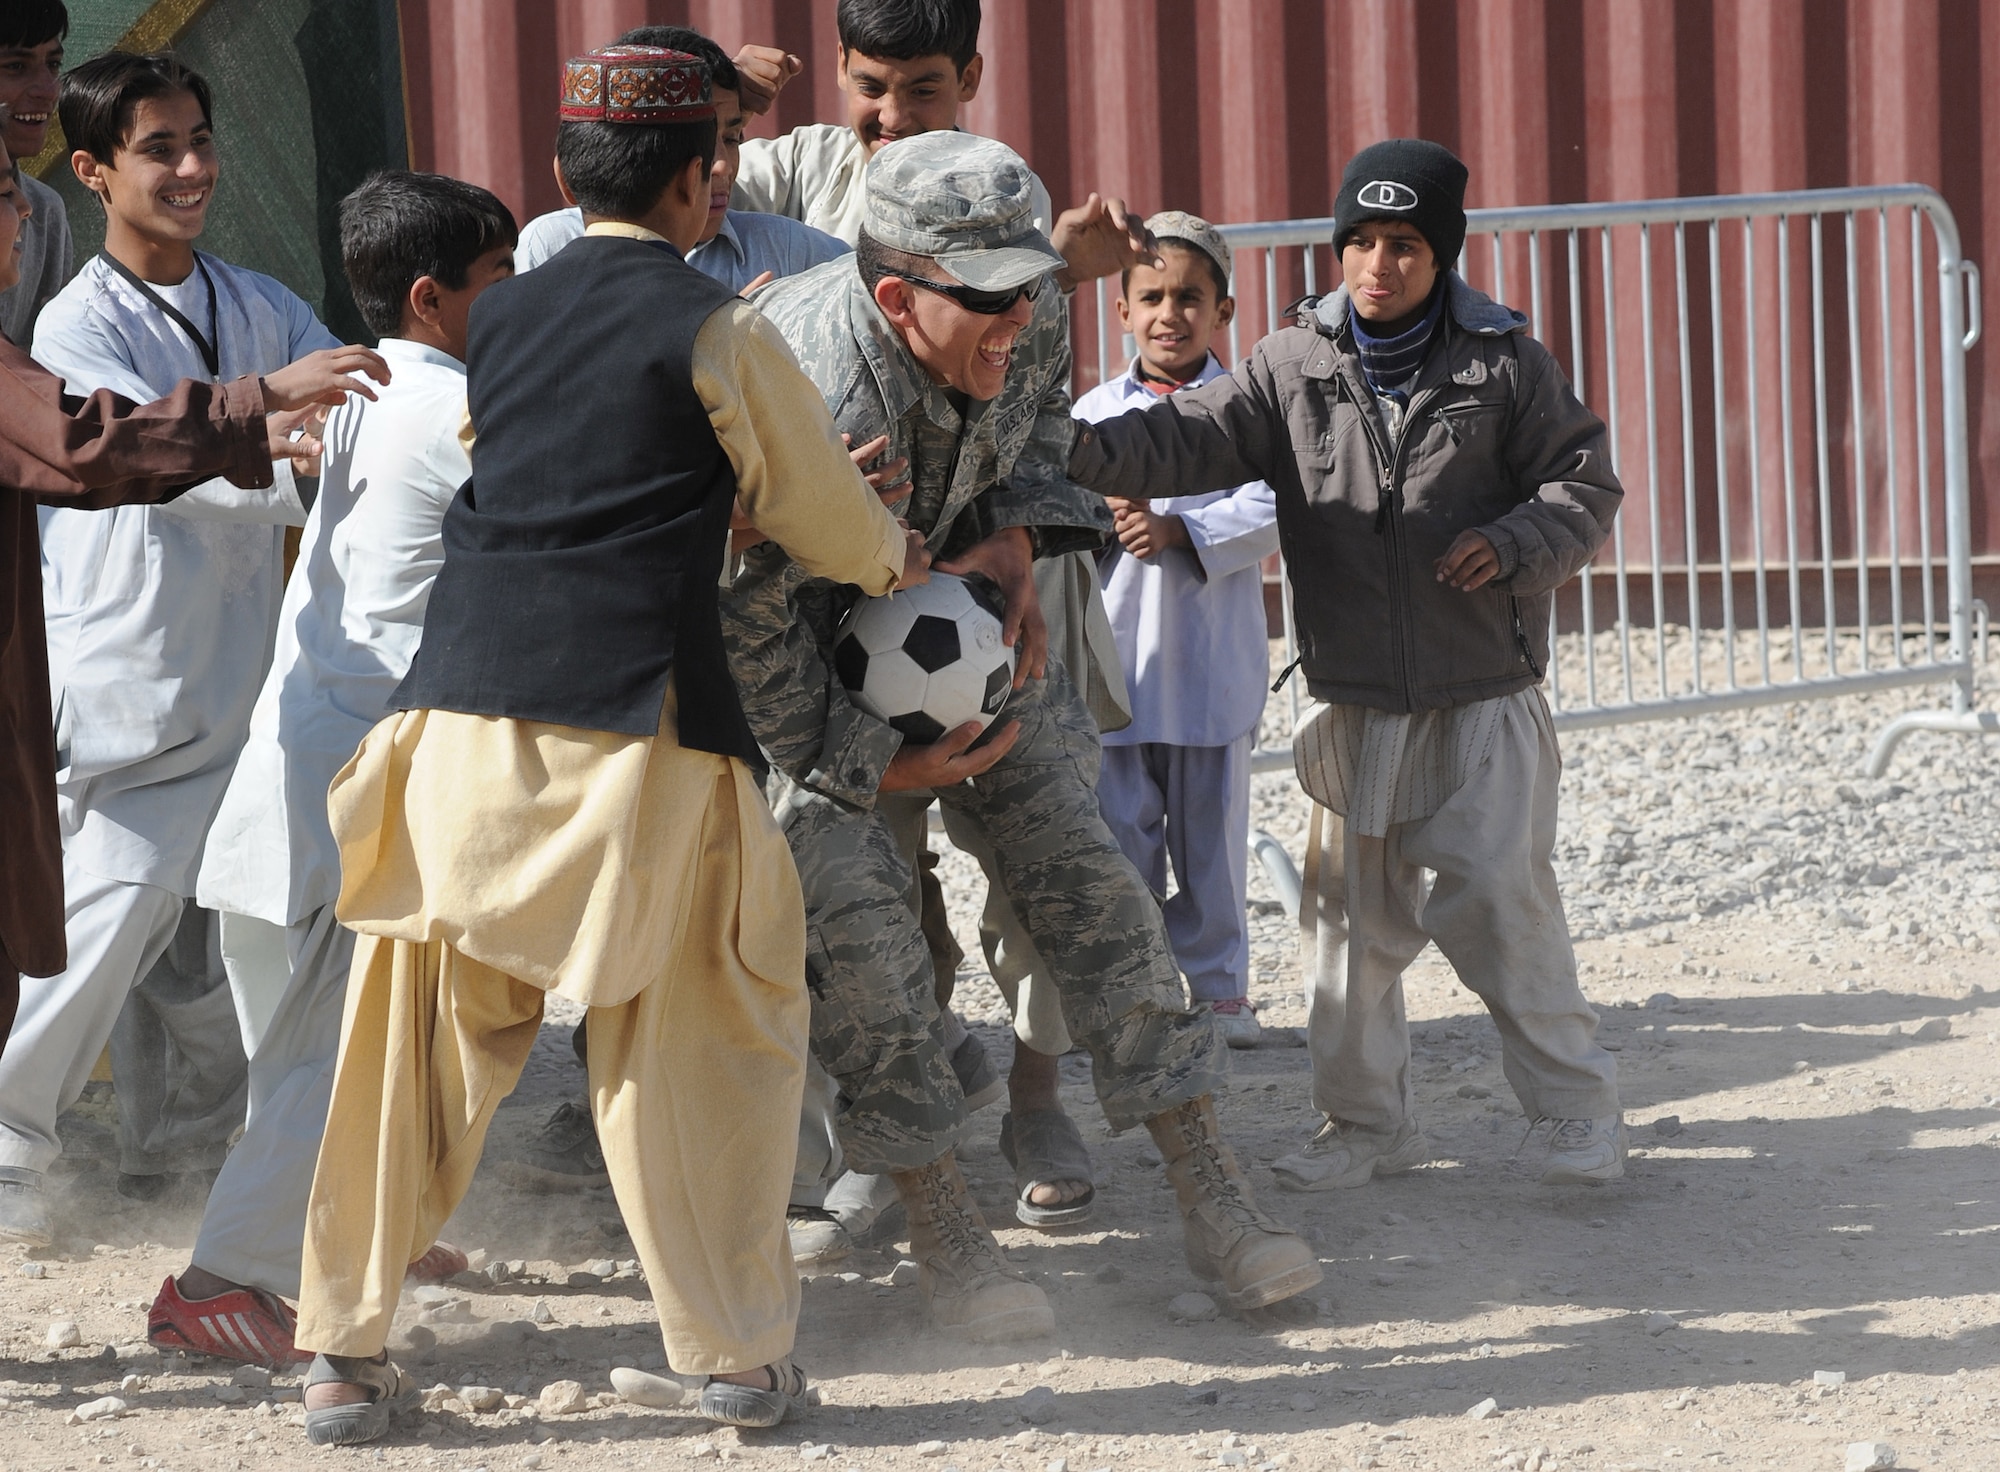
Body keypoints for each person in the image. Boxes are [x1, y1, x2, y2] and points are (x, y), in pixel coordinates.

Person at [290, 46, 919, 1446]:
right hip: (643, 738)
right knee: (707, 1043)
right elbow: (823, 519)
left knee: (406, 1053)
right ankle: (742, 1364)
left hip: (451, 726)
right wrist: (888, 556)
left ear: (567, 180)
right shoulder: (721, 327)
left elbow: (543, 477)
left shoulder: (492, 324)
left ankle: (338, 1354)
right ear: (704, 181)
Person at [724, 131, 1322, 1344]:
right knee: (856, 925)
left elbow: (1041, 437)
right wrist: (866, 765)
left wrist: (1017, 543)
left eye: (1029, 291)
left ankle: (1213, 1190)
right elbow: (740, 614)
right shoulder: (794, 377)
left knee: (1089, 881)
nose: (1020, 319)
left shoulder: (1021, 308)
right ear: (897, 296)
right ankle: (943, 1223)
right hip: (808, 684)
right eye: (985, 300)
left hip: (974, 639)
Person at [1065, 138, 1630, 1189]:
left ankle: (1573, 1115)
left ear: (1442, 252)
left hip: (1479, 697)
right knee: (1345, 935)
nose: (1377, 265)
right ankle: (1366, 1126)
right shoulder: (1288, 365)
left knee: (1503, 908)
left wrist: (1509, 545)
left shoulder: (1504, 362)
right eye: (1358, 241)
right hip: (1353, 702)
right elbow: (1183, 437)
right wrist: (1060, 443)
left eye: (1404, 243)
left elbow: (1581, 486)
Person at [733, 0, 1153, 1254]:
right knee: (852, 877)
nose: (888, 116)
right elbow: (641, 184)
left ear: (969, 79)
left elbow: (1041, 424)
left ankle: (1037, 1100)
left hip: (997, 592)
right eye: (868, 86)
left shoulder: (1001, 202)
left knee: (1046, 855)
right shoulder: (792, 168)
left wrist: (1015, 543)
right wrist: (716, 87)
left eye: (921, 89)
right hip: (838, 617)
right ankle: (876, 1137)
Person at [133, 171, 517, 1370]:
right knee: (337, 1055)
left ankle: (369, 1227)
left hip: (297, 773)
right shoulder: (458, 409)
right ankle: (216, 1284)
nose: (517, 303)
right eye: (498, 282)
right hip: (357, 788)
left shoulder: (358, 385)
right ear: (430, 296)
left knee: (338, 1043)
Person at [0, 50, 355, 1244]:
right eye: (160, 149)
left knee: (231, 942)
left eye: (201, 140)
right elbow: (163, 470)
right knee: (96, 932)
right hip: (133, 680)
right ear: (92, 171)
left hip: (246, 675)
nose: (194, 168)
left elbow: (346, 412)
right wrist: (285, 438)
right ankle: (5, 1150)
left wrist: (323, 441)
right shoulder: (72, 323)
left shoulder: (258, 301)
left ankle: (209, 1160)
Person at [503, 22, 851, 1202]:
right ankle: (675, 1170)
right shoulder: (554, 264)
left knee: (764, 905)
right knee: (647, 914)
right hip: (627, 651)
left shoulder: (802, 257)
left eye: (736, 139)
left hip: (749, 633)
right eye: (708, 146)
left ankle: (784, 1158)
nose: (727, 169)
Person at [1076, 212, 1278, 1056]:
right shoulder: (1093, 413)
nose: (1170, 314)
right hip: (1117, 668)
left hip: (1206, 668)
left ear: (1224, 312)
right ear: (1121, 312)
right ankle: (1133, 994)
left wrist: (1176, 533)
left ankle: (1221, 991)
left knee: (1211, 840)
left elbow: (1273, 507)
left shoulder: (1253, 414)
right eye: (1151, 296)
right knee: (1120, 839)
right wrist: (1102, 517)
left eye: (1190, 297)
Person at [513, 25, 848, 290]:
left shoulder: (789, 251)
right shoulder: (551, 246)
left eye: (732, 138)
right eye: (697, 143)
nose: (721, 165)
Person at [0, 1, 72, 346]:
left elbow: (40, 382)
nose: (48, 89)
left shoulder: (45, 212)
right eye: (16, 66)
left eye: (54, 64)